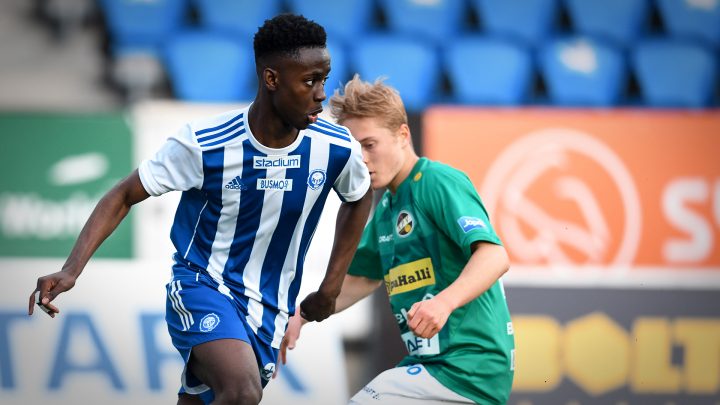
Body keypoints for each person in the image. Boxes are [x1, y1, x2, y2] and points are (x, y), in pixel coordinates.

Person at [28, 14, 372, 405]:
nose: (321, 94)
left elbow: (360, 197)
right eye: (309, 81)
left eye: (324, 79)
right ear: (272, 79)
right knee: (242, 391)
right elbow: (123, 195)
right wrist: (72, 269)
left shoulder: (335, 146)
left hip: (269, 309)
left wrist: (330, 288)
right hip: (201, 285)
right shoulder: (205, 144)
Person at [281, 75, 515, 404]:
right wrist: (300, 316)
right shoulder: (388, 206)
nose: (360, 158)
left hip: (465, 368)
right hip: (434, 367)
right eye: (353, 147)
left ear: (403, 135)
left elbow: (494, 257)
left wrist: (443, 303)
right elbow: (361, 279)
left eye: (369, 144)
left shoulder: (437, 181)